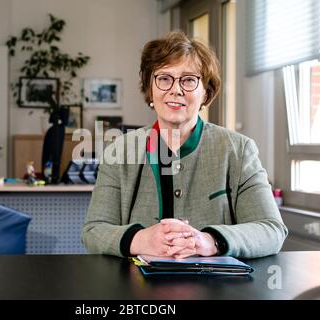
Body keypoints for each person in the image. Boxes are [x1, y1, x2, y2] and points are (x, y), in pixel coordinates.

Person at [82, 31, 288, 259]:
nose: (176, 89)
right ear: (150, 89)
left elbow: (271, 230)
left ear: (205, 93)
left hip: (216, 290)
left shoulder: (238, 150)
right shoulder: (119, 151)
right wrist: (143, 240)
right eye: (164, 78)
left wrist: (210, 241)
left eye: (189, 80)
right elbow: (94, 230)